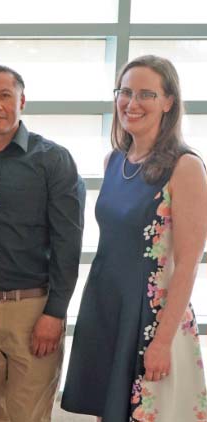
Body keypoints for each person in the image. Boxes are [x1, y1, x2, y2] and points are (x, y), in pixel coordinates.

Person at [62, 55, 207, 421]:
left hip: (154, 317)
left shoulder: (185, 166)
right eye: (125, 92)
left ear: (169, 102)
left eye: (146, 94)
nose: (132, 102)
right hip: (107, 307)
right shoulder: (115, 160)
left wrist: (161, 341)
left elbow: (189, 264)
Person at [0, 64, 85, 422]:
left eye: (5, 96)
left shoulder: (53, 160)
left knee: (28, 414)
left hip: (32, 310)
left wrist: (55, 312)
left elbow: (68, 241)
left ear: (22, 101)